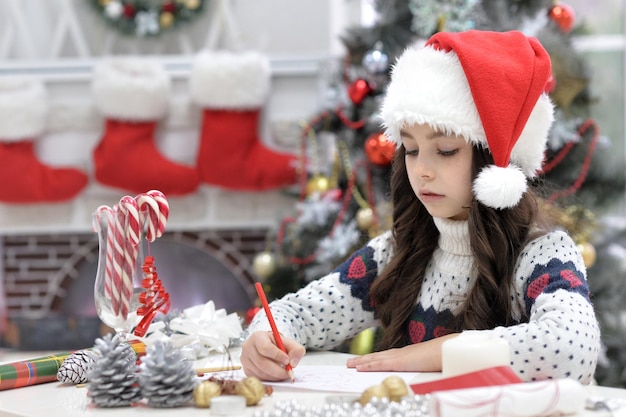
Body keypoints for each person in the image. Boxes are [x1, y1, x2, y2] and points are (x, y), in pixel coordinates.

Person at [241, 30, 600, 384]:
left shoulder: (542, 253)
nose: (422, 170)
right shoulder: (396, 251)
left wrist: (433, 354)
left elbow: (572, 349)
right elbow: (298, 312)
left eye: (445, 150)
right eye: (411, 150)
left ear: (495, 158)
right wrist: (265, 337)